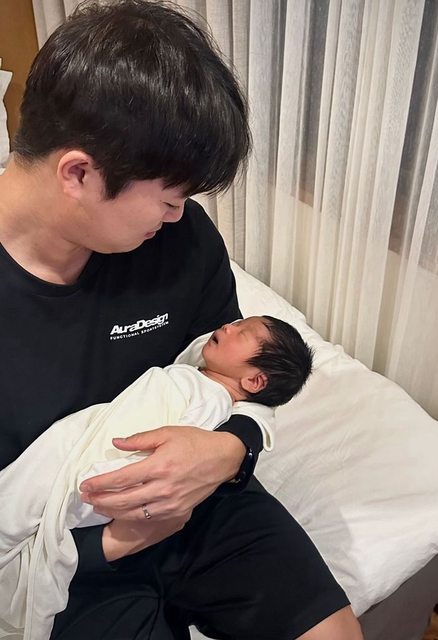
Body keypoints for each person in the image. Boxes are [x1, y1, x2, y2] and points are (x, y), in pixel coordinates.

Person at [0, 1, 363, 638]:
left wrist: (228, 450)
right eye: (169, 200)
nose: (177, 217)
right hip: (62, 546)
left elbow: (242, 379)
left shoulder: (182, 241)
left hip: (200, 496)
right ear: (79, 173)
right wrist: (110, 545)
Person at [0, 315, 314, 639]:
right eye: (237, 322)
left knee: (18, 508)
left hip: (95, 472)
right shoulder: (197, 375)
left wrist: (94, 480)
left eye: (243, 332)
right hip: (84, 444)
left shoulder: (211, 400)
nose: (229, 326)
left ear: (255, 381)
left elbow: (163, 457)